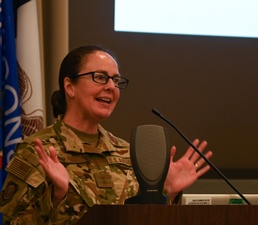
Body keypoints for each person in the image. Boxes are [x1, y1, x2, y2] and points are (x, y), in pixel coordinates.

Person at [0, 45, 213, 224]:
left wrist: (167, 192)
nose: (111, 87)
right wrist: (57, 196)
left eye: (116, 80)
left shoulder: (128, 153)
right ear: (69, 86)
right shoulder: (38, 151)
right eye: (100, 77)